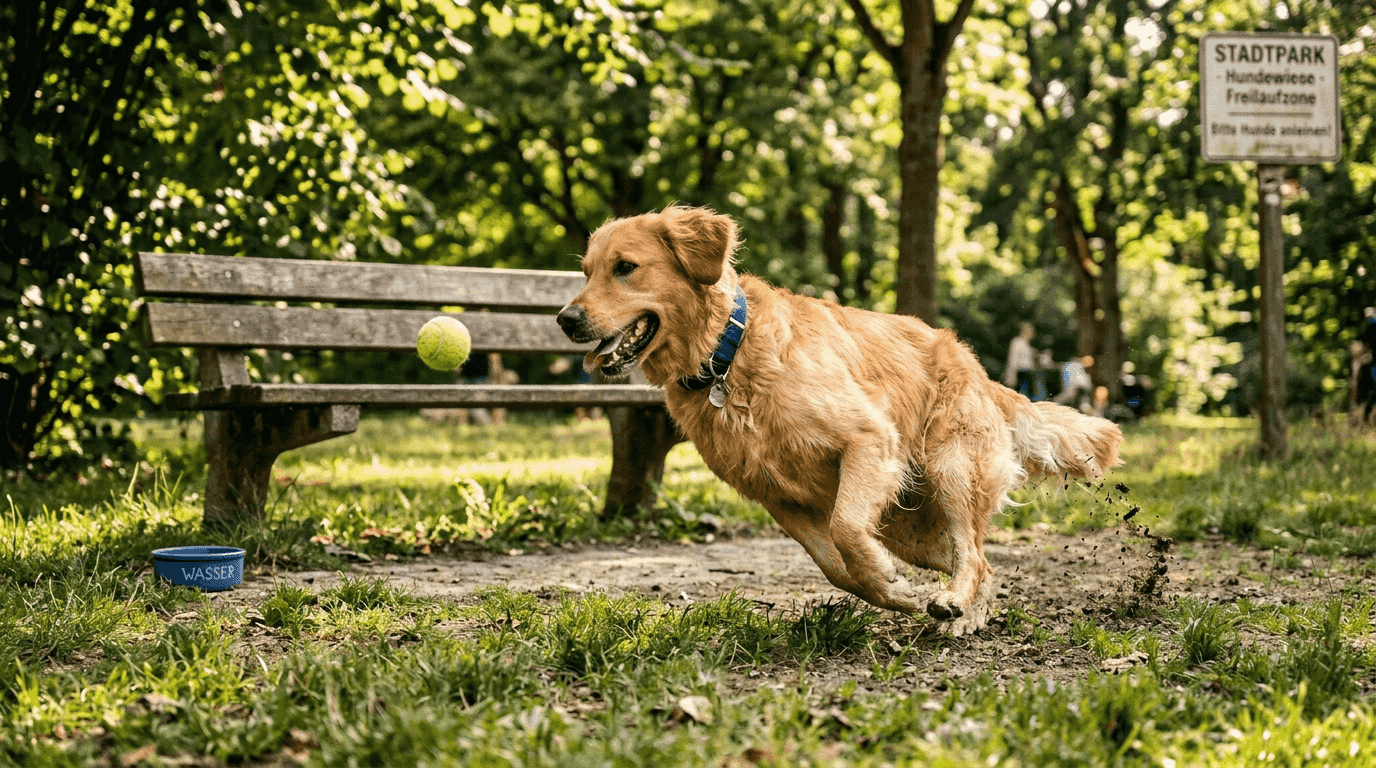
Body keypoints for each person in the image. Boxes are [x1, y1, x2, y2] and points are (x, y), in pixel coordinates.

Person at [1003, 322, 1037, 397]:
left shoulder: (1026, 344)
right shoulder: (1016, 342)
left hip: (1028, 374)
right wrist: (1011, 376)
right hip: (1021, 374)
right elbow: (1013, 360)